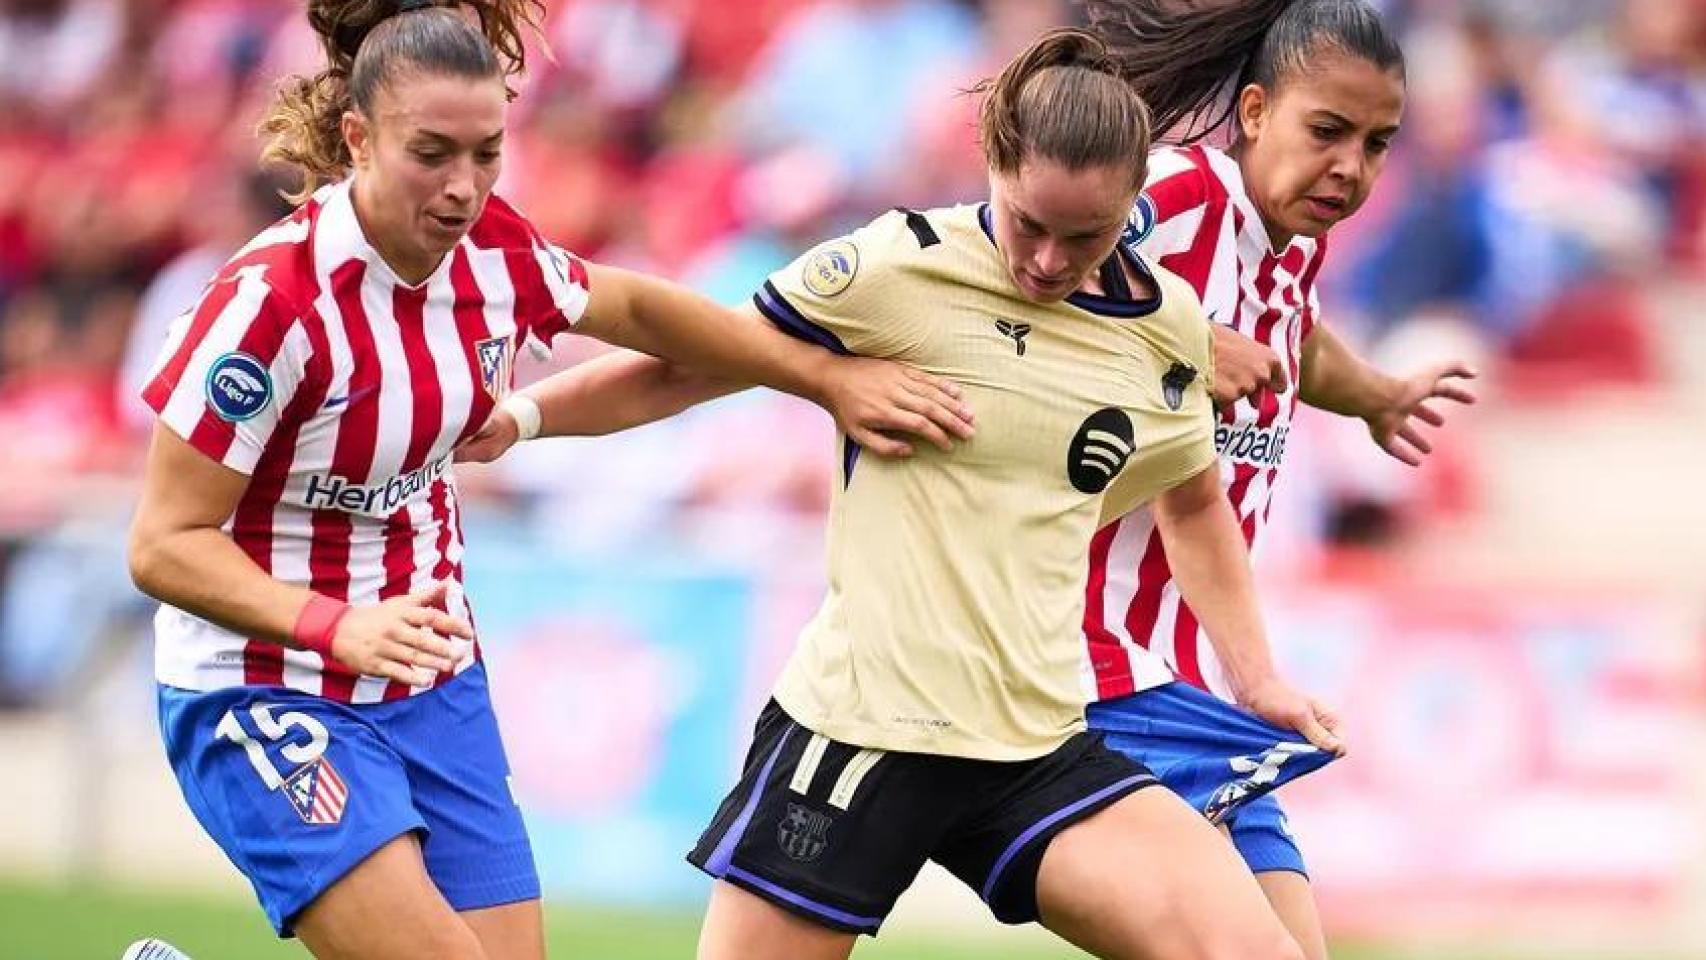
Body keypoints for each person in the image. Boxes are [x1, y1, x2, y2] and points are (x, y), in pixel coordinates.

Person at [125, 2, 973, 958]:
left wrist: (824, 378)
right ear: (358, 138)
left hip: (424, 668)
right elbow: (162, 545)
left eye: (486, 154)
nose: (463, 187)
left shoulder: (493, 253)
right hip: (264, 680)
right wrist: (336, 625)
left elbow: (641, 313)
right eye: (432, 154)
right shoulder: (267, 308)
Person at [478, 28, 1335, 960]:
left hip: (1036, 743)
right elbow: (695, 362)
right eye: (1028, 224)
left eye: (1083, 237)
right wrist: (523, 418)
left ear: (1135, 203)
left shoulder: (1166, 326)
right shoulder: (900, 267)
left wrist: (1256, 677)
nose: (1049, 261)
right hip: (862, 735)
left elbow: (1195, 501)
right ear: (992, 165)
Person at [1075, 2, 1478, 958]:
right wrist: (1181, 335)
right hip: (1105, 671)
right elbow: (1042, 265)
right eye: (1327, 130)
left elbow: (1295, 334)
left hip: (1213, 685)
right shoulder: (1177, 192)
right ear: (1255, 112)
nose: (1351, 167)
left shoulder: (1295, 247)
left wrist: (1376, 395)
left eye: (1376, 144)